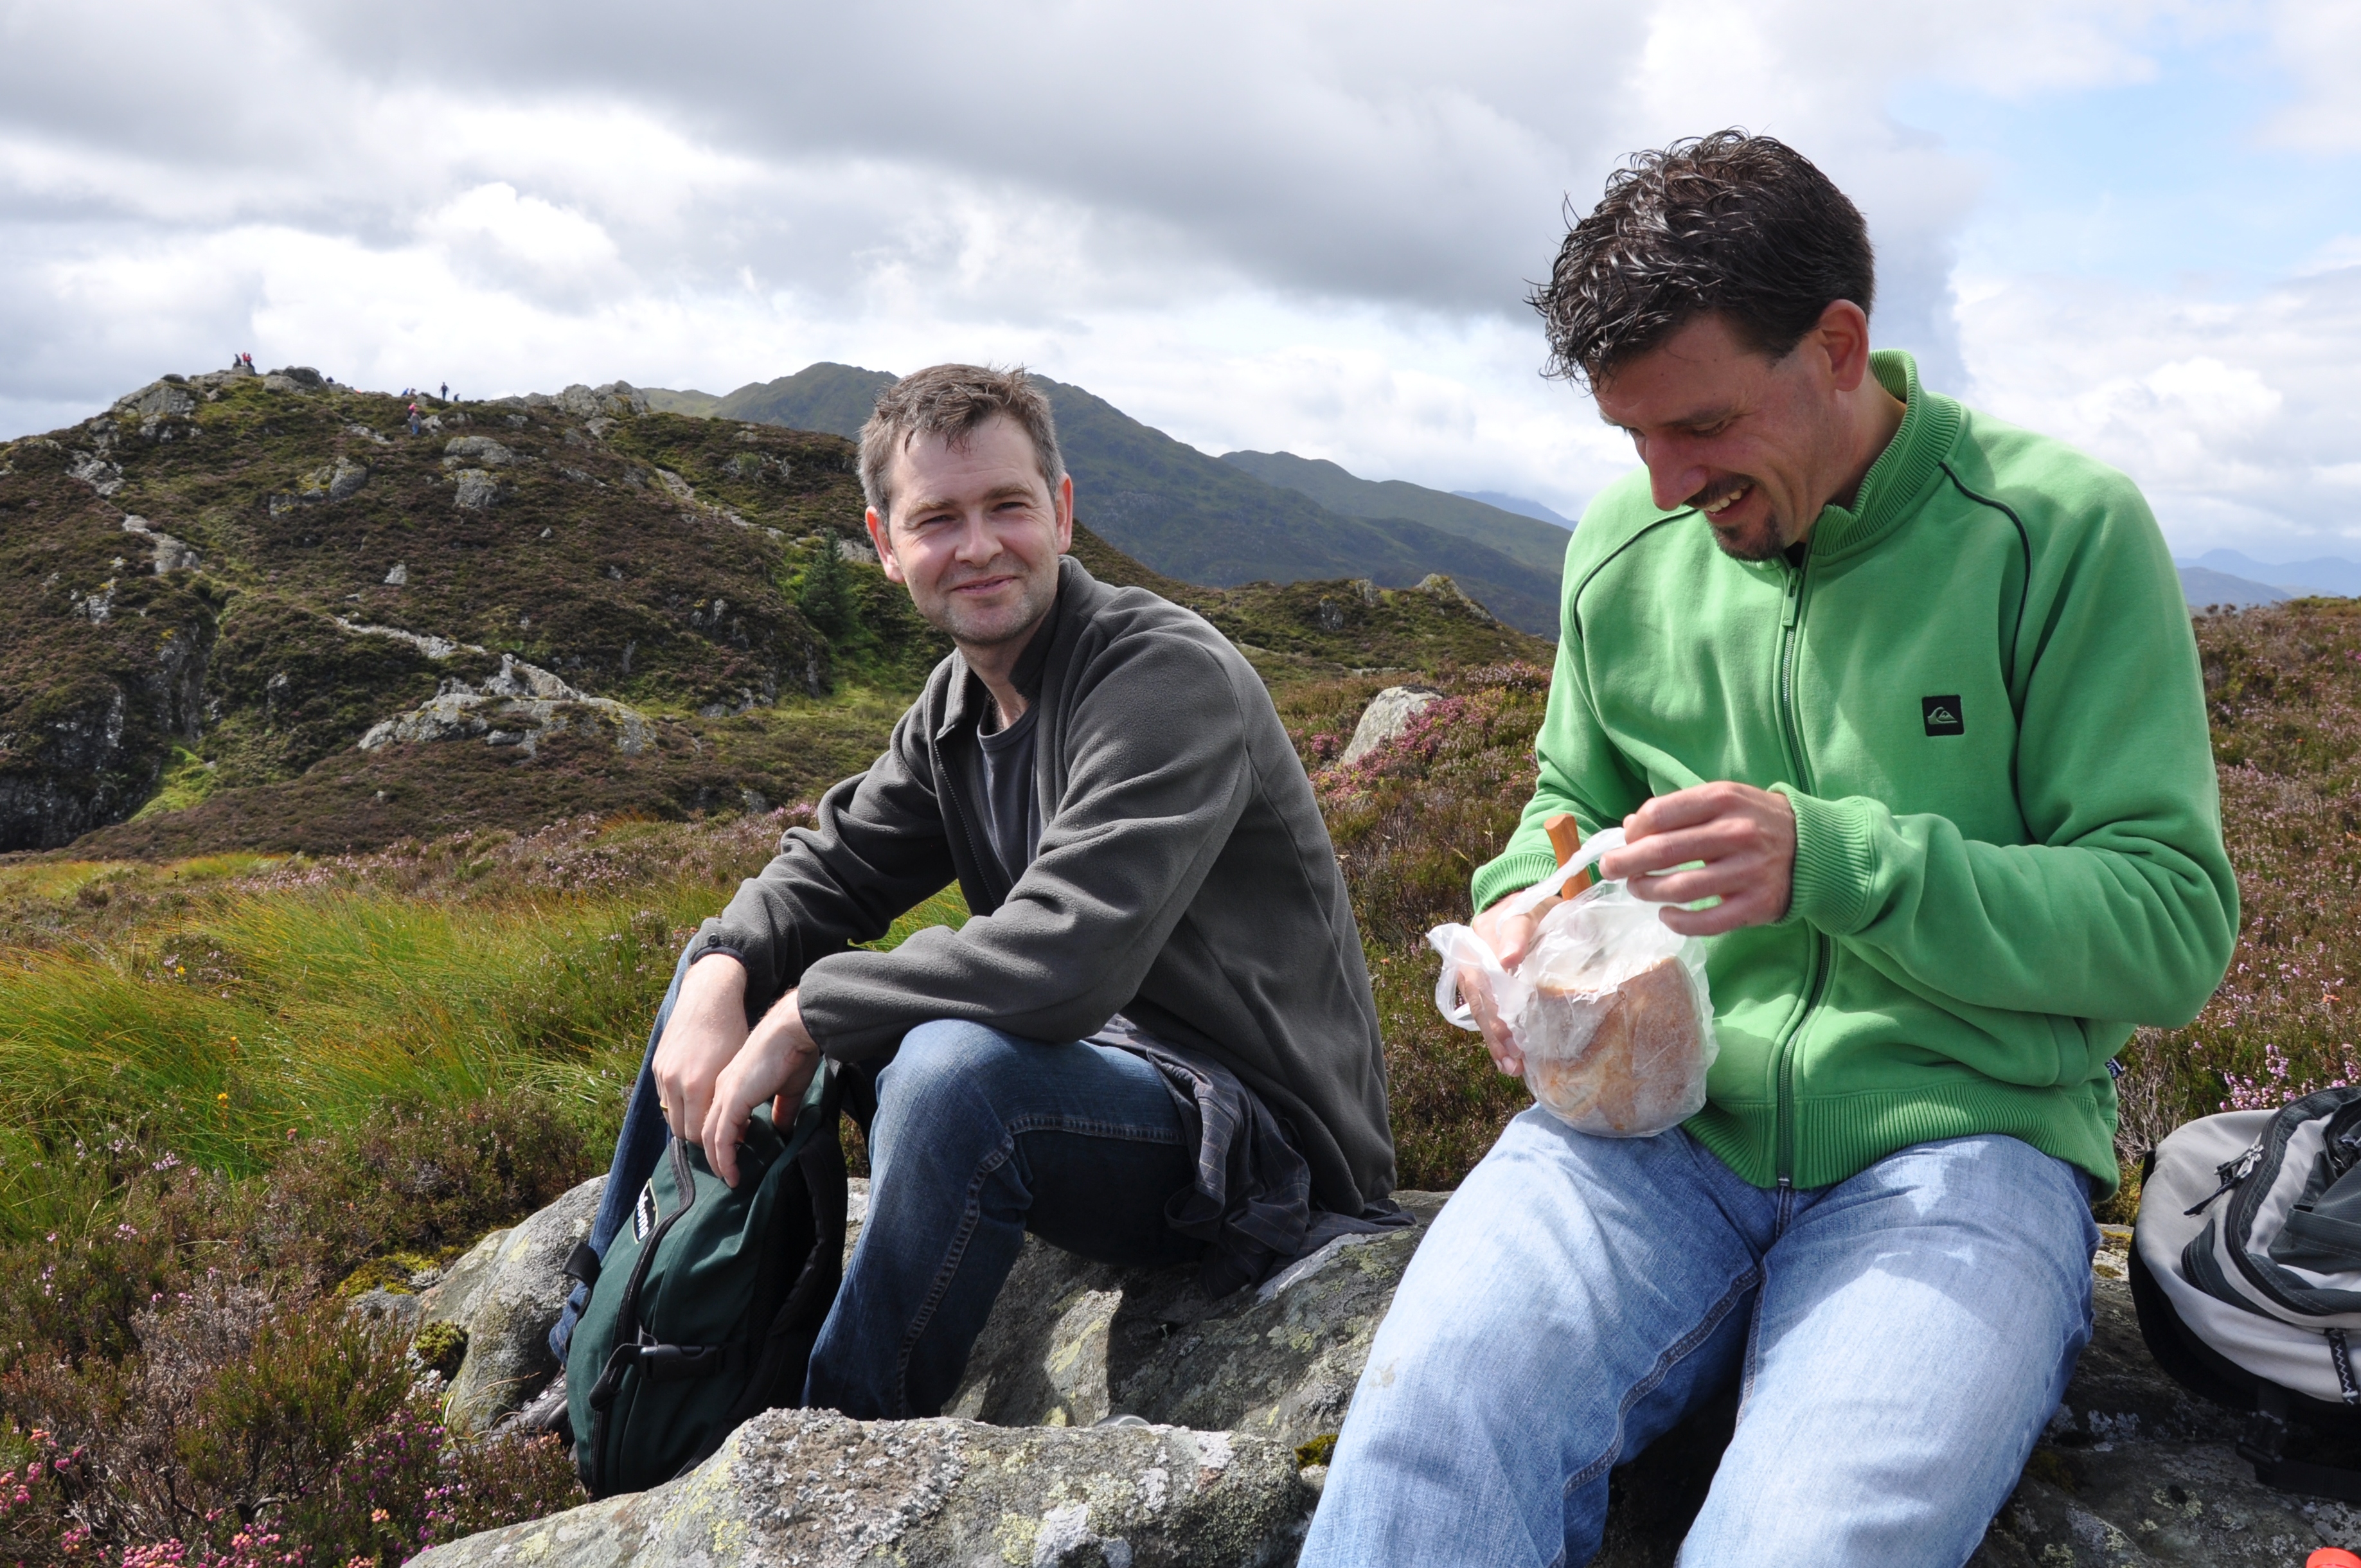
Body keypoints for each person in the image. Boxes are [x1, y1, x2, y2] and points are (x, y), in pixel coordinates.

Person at [1301, 132, 2236, 1567]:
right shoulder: (1622, 550)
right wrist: (1519, 917)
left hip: (1963, 1154)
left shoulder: (2057, 531)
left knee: (1807, 1541)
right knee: (1426, 1435)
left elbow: (2169, 930)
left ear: (1838, 345)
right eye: (1632, 439)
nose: (1664, 485)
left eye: (1702, 425)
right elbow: (1562, 810)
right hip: (1639, 1129)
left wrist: (1840, 864)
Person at [549, 363, 1403, 1419]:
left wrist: (812, 1011)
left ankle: (831, 1445)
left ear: (1062, 512)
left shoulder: (1163, 675)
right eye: (937, 520)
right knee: (727, 964)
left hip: (1255, 1140)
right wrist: (726, 970)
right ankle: (602, 1345)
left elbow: (1065, 959)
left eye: (1007, 506)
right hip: (1096, 1078)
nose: (979, 546)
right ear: (885, 543)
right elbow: (832, 867)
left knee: (952, 1075)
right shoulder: (959, 701)